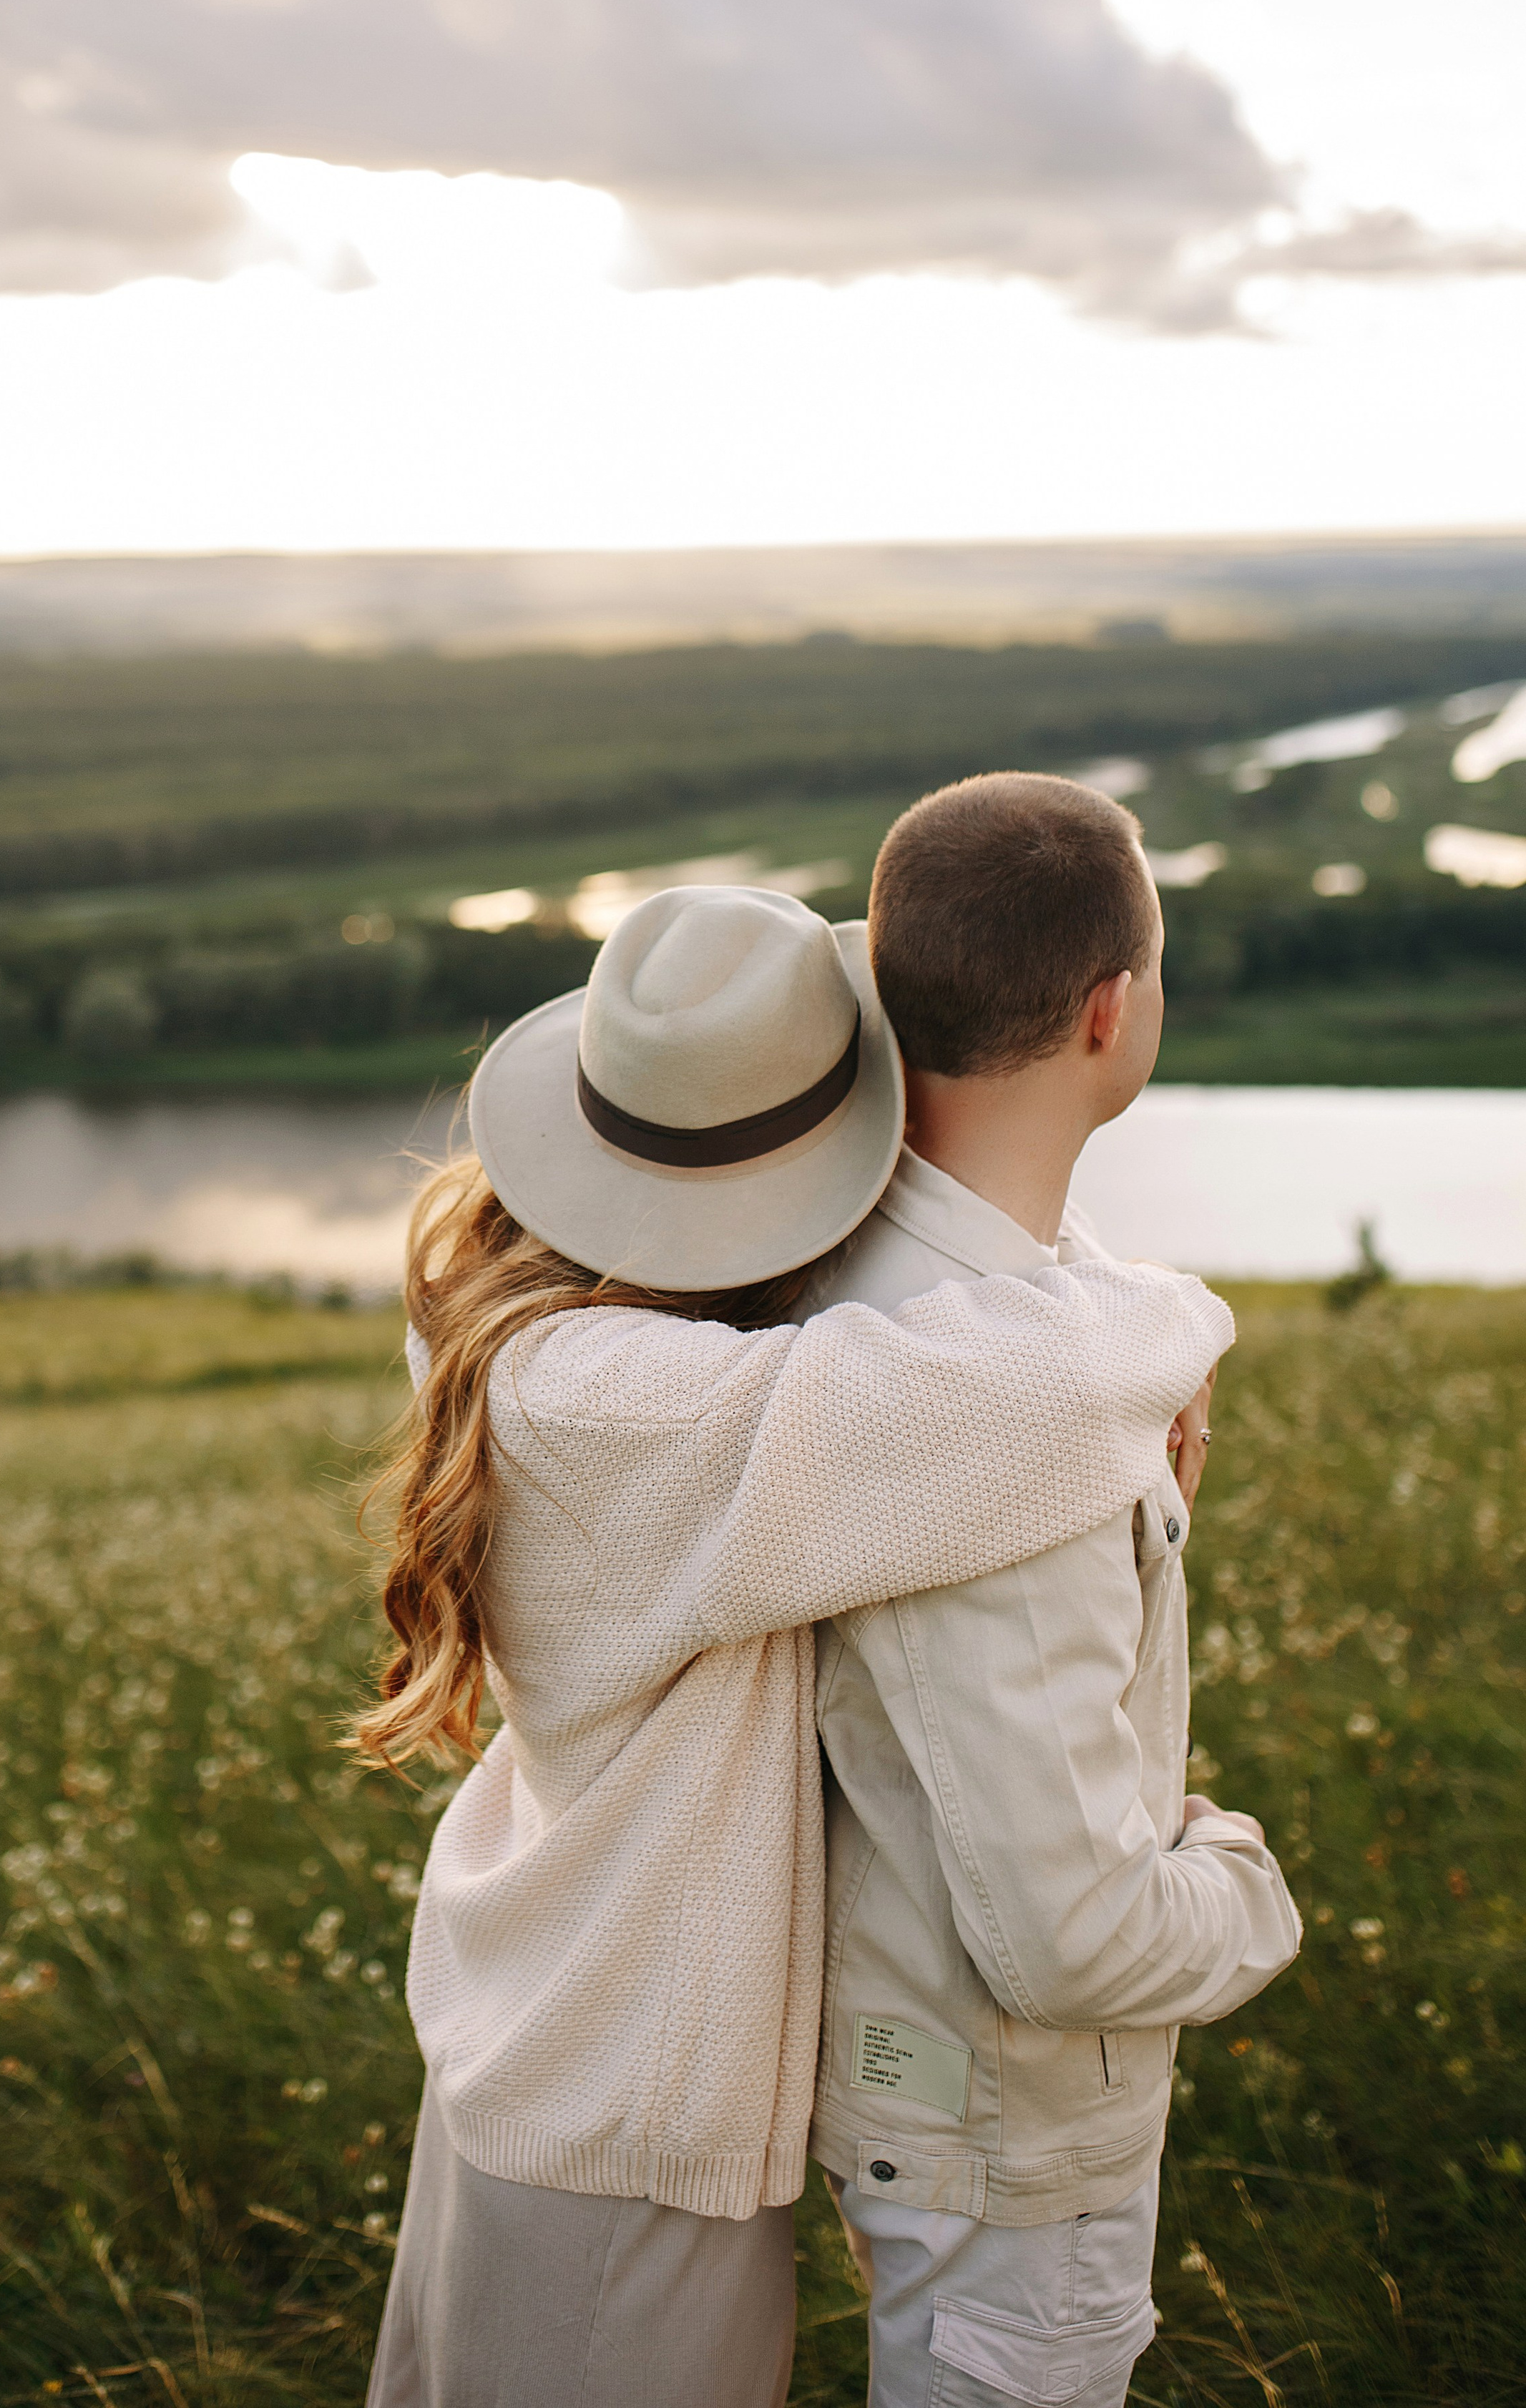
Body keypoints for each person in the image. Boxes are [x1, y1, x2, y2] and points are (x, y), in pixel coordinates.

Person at [354, 878, 1232, 2408]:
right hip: (620, 2122)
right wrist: (1175, 1329)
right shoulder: (616, 1409)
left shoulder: (539, 1312)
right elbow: (1009, 1382)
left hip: (562, 2039)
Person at [798, 773, 1303, 2408]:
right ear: (1109, 1008)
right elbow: (1073, 1940)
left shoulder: (906, 1273)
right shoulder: (994, 1410)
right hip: (1001, 2148)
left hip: (939, 2090)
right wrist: (1240, 1873)